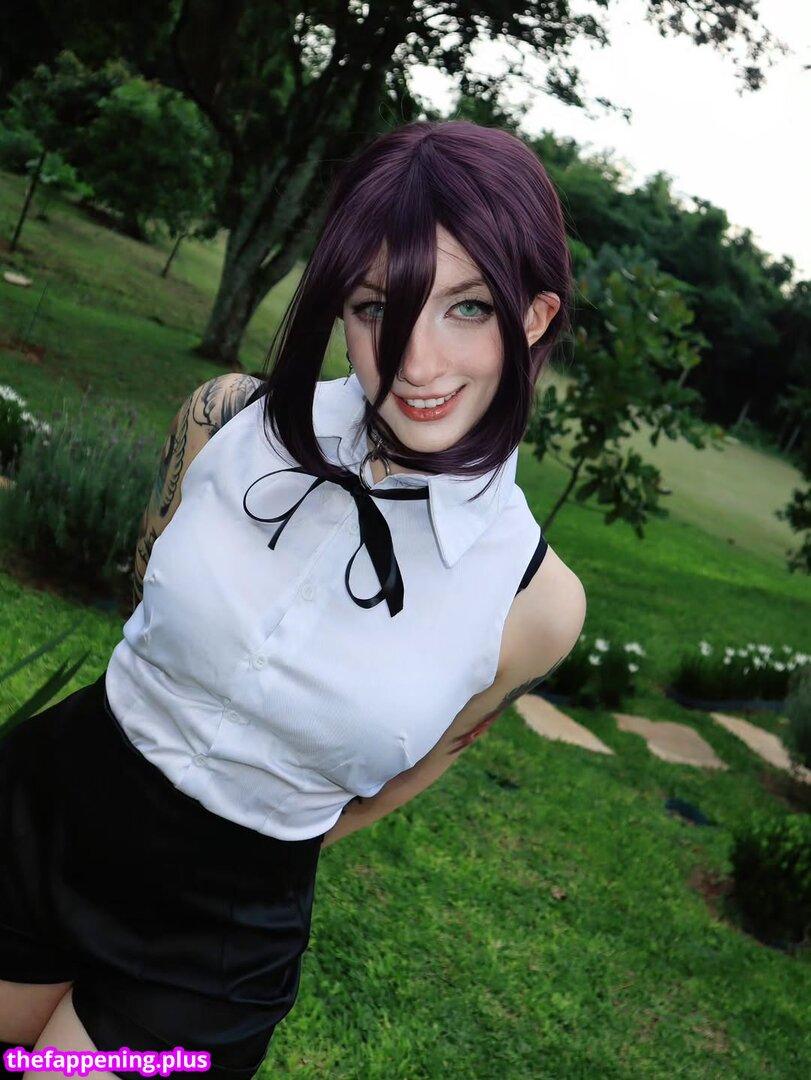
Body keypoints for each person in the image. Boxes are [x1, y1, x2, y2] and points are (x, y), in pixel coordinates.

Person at [0, 119, 586, 1079]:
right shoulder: (226, 418)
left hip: (216, 937)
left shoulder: (538, 604)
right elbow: (147, 603)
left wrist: (266, 820)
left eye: (468, 307)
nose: (416, 363)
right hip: (45, 809)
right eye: (375, 305)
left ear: (532, 318)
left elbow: (410, 768)